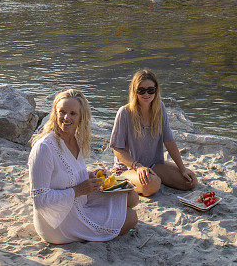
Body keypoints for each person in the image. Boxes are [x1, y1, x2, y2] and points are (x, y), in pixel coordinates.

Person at [28, 89, 138, 244]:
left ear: (81, 117)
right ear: (55, 113)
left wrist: (89, 175)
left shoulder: (76, 139)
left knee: (132, 197)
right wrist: (78, 190)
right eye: (62, 112)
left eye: (73, 113)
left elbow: (66, 173)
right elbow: (39, 200)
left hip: (79, 201)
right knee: (132, 218)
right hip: (55, 222)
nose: (66, 118)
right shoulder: (44, 148)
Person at [110, 70, 197, 196]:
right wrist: (138, 167)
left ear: (156, 90)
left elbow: (169, 141)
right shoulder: (124, 112)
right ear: (135, 91)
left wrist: (182, 169)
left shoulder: (160, 108)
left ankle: (154, 177)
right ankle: (144, 179)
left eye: (151, 90)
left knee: (190, 181)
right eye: (142, 90)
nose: (147, 94)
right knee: (152, 185)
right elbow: (117, 149)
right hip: (128, 168)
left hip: (153, 164)